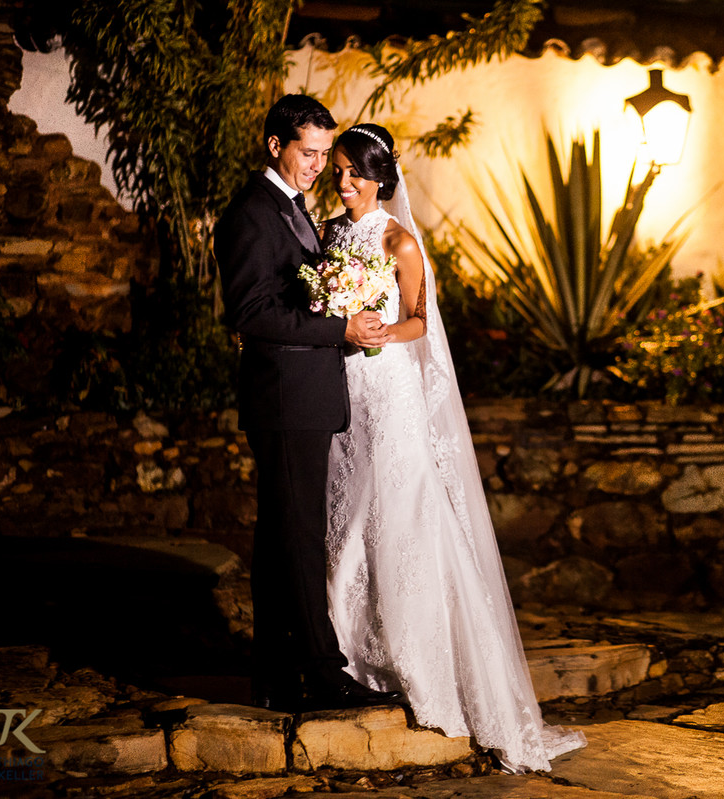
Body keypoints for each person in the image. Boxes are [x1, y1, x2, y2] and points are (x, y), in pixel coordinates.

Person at [320, 123, 587, 772]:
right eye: (339, 170)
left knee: (396, 515)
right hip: (340, 390)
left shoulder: (399, 241)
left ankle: (415, 662)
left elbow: (421, 320)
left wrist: (380, 332)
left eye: (355, 172)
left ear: (380, 177)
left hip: (389, 392)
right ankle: (346, 653)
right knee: (343, 515)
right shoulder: (327, 233)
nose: (344, 181)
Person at [215, 95, 402, 713]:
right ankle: (323, 673)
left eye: (326, 154)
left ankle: (274, 676)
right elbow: (250, 312)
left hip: (305, 396)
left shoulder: (294, 209)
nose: (319, 166)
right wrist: (340, 327)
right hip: (284, 397)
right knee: (299, 537)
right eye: (309, 152)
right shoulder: (251, 213)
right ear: (276, 146)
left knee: (281, 539)